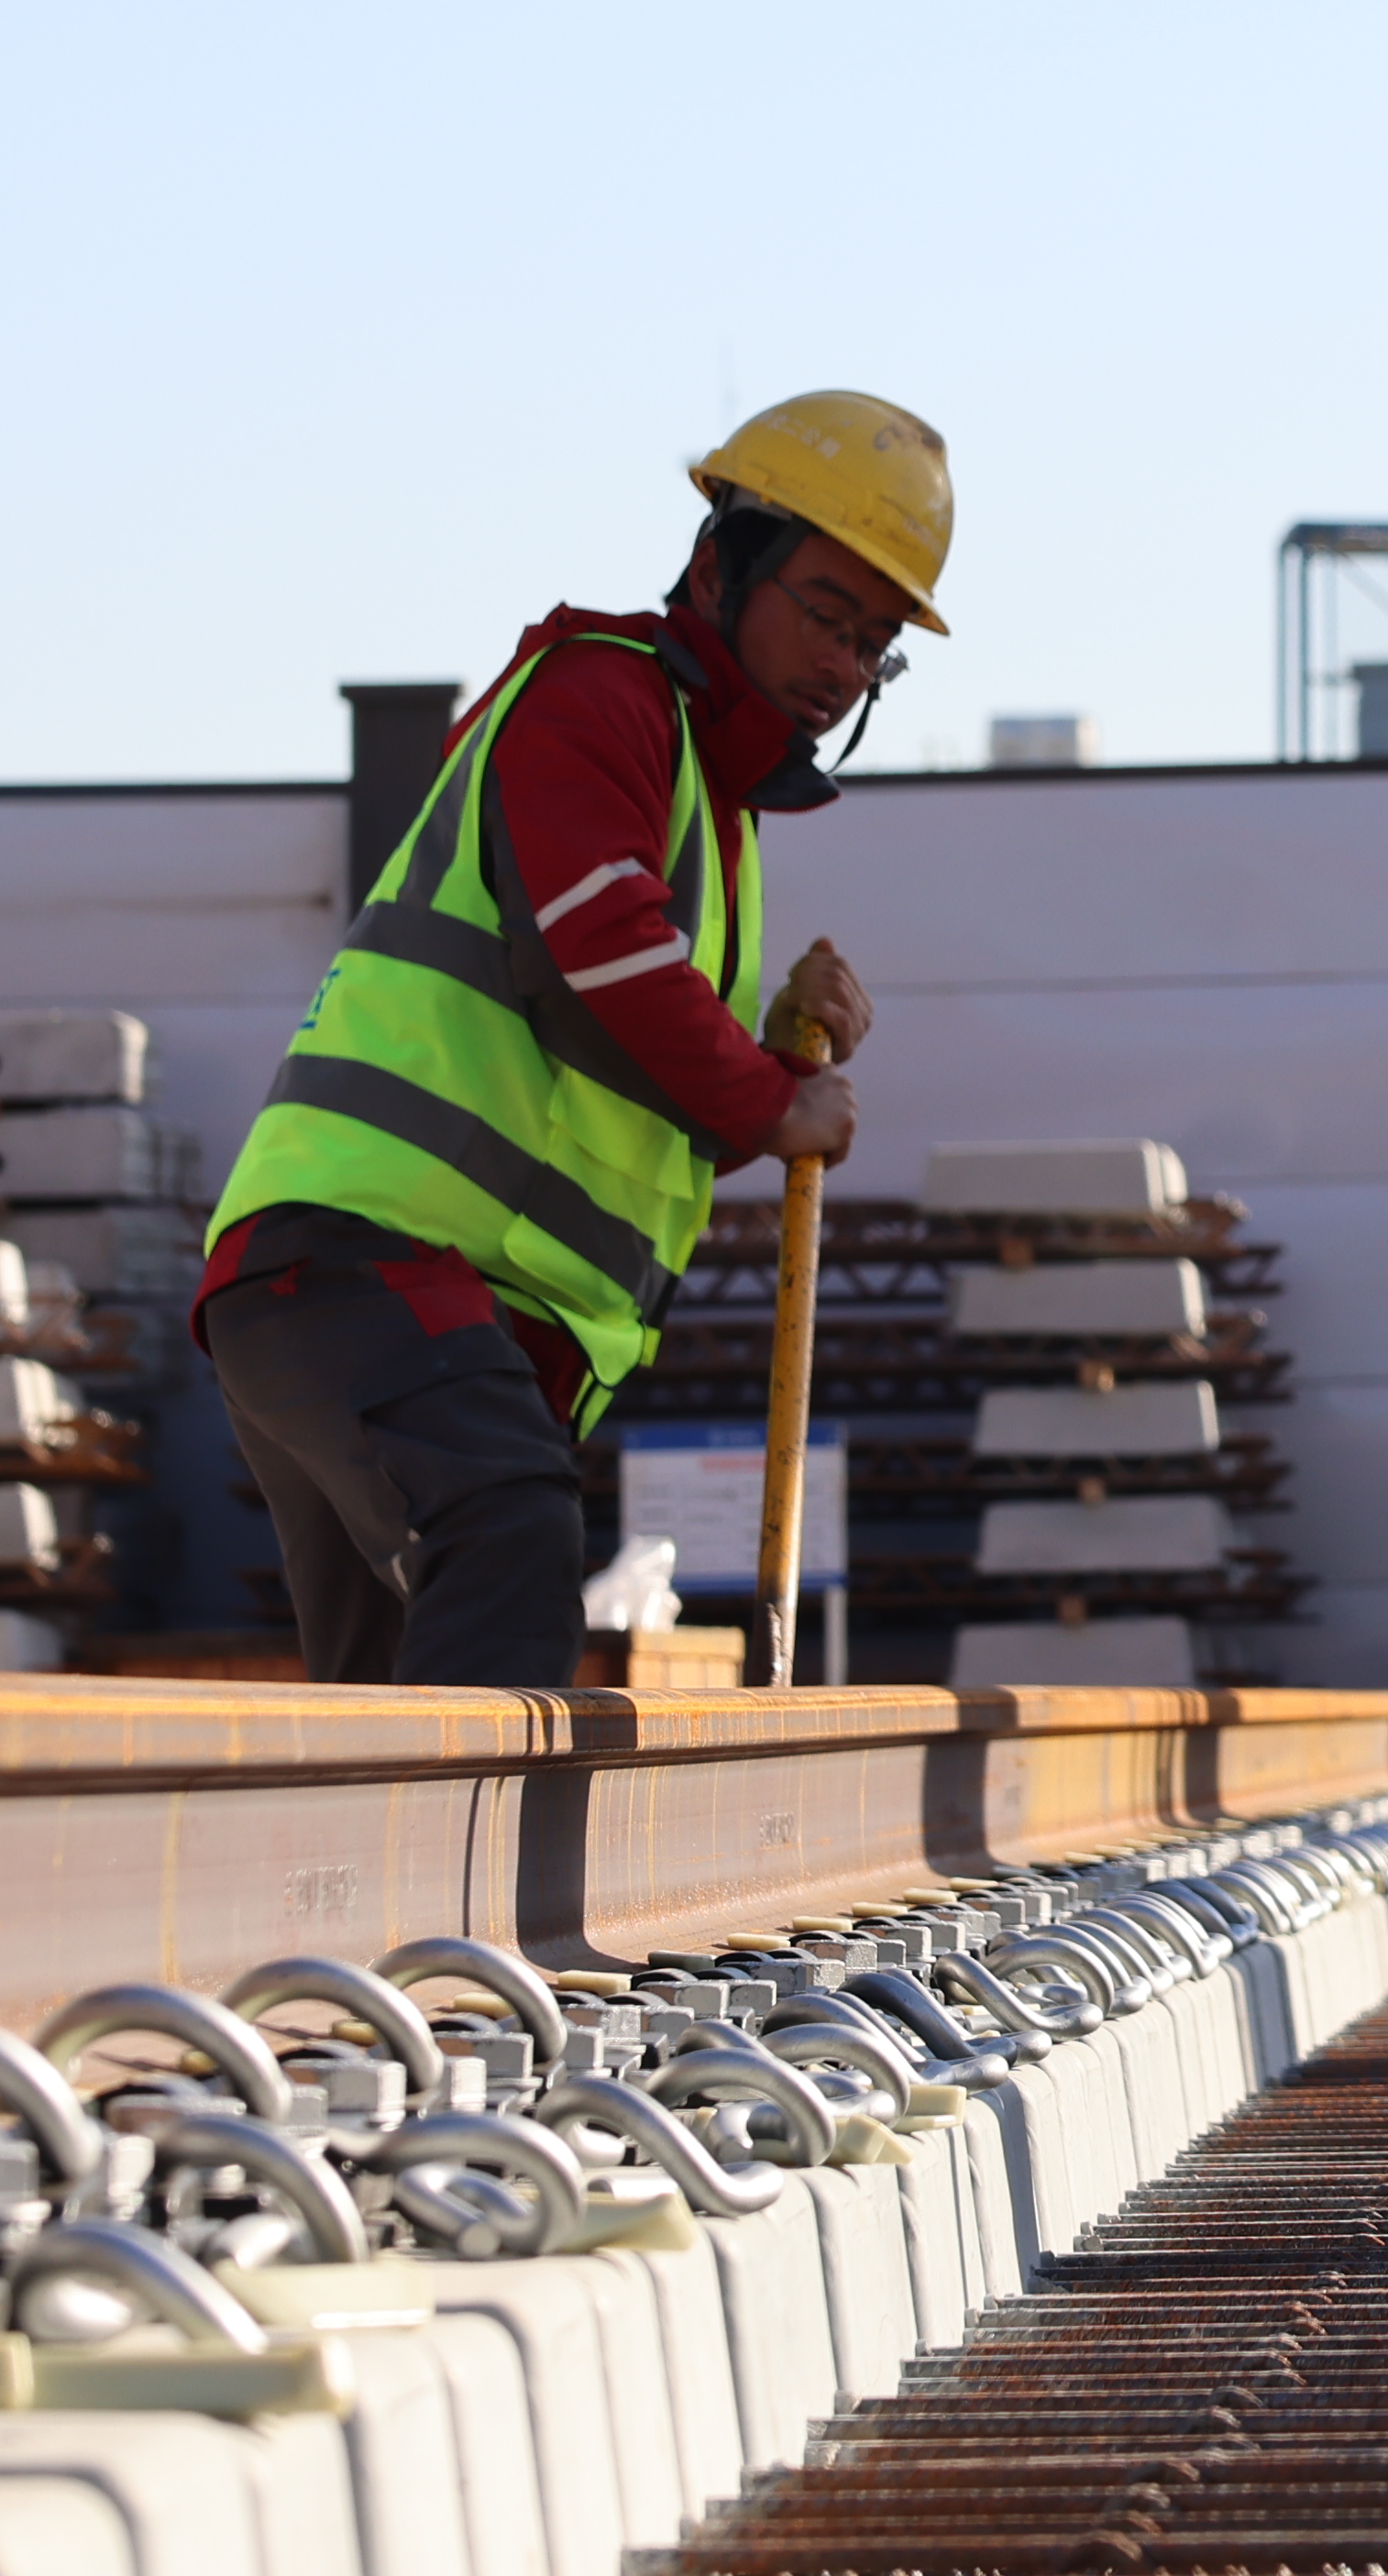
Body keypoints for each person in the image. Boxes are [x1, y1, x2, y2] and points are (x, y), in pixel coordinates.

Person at [195, 398, 952, 1687]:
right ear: (723, 564)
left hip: (389, 1299)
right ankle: (465, 1895)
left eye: (875, 645)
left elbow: (617, 1074)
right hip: (364, 1265)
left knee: (394, 1679)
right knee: (503, 1531)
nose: (842, 665)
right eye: (827, 613)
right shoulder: (603, 696)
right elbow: (591, 967)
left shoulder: (706, 804)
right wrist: (773, 1102)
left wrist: (758, 1053)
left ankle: (376, 1892)